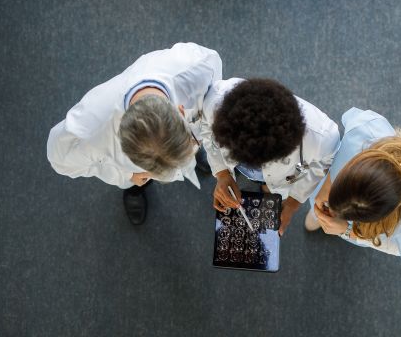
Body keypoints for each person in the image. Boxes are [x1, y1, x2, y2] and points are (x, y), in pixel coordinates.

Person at [47, 42, 222, 225]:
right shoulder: (87, 132)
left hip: (195, 124)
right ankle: (135, 189)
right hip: (134, 173)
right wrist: (126, 176)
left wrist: (203, 138)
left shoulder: (197, 65)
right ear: (124, 147)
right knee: (136, 182)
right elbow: (61, 162)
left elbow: (214, 94)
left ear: (181, 111)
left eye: (188, 140)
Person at [199, 78, 340, 235]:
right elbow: (207, 130)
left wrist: (294, 202)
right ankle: (266, 186)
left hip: (284, 175)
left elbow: (321, 166)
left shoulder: (324, 139)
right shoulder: (215, 102)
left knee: (272, 184)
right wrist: (222, 172)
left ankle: (268, 187)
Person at [305, 108, 401, 261]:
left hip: (359, 231)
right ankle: (320, 215)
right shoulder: (365, 129)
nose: (333, 211)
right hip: (330, 193)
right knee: (318, 204)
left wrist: (348, 231)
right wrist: (328, 184)